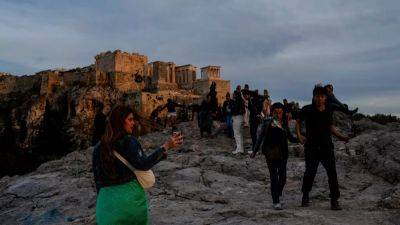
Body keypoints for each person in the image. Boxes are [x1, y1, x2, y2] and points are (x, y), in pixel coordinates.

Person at [92, 105, 183, 225]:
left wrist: (105, 202)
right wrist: (166, 146)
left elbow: (97, 181)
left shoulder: (98, 148)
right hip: (131, 203)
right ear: (120, 121)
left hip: (107, 206)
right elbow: (143, 164)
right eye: (130, 119)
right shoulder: (129, 141)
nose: (133, 123)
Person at [296, 86, 350, 210]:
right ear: (313, 97)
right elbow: (298, 120)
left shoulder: (329, 110)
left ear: (325, 97)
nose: (319, 99)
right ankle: (305, 196)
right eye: (317, 96)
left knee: (332, 173)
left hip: (326, 146)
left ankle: (334, 200)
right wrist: (299, 135)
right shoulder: (307, 109)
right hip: (311, 147)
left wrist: (342, 137)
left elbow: (330, 127)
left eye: (322, 96)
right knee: (310, 172)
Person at [251, 103, 297, 210]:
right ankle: (276, 201)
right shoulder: (267, 122)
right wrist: (255, 150)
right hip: (270, 152)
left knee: (283, 178)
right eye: (275, 112)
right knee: (273, 177)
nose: (278, 114)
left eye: (280, 112)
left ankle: (278, 192)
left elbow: (290, 137)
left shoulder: (284, 123)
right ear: (272, 112)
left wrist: (299, 139)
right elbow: (261, 136)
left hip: (283, 153)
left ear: (283, 113)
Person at [232, 85, 246, 154]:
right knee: (240, 134)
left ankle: (238, 149)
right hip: (240, 117)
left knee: (237, 134)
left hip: (237, 117)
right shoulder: (241, 99)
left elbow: (236, 109)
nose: (233, 95)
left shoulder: (238, 100)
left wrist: (231, 111)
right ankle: (241, 149)